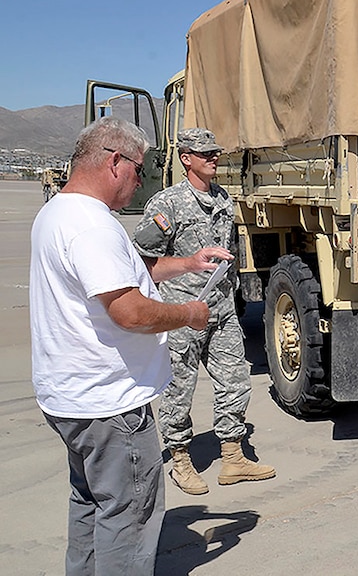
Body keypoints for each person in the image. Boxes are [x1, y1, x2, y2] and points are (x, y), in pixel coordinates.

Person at [30, 117, 228, 575]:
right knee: (130, 518)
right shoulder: (92, 226)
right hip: (110, 406)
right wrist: (190, 315)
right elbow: (131, 311)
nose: (141, 181)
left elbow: (122, 271)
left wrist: (186, 263)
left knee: (90, 504)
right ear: (114, 162)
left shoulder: (60, 212)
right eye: (140, 170)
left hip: (71, 399)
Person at [132, 128, 275, 495]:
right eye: (205, 153)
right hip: (182, 310)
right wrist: (187, 266)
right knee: (180, 387)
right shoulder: (168, 203)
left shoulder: (224, 199)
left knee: (236, 381)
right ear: (186, 158)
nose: (213, 157)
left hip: (222, 309)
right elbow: (142, 262)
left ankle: (233, 457)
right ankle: (180, 459)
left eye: (215, 152)